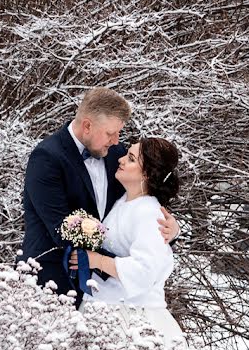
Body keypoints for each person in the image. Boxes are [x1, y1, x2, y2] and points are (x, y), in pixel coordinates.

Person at [18, 88, 178, 304]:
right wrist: (119, 264)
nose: (116, 141)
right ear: (87, 126)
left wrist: (169, 231)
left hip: (104, 294)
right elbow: (62, 229)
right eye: (111, 133)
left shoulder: (114, 154)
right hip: (52, 282)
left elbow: (139, 201)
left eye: (119, 133)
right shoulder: (47, 158)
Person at [74, 137, 184, 346]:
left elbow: (145, 271)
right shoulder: (123, 201)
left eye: (131, 159)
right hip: (104, 308)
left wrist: (96, 261)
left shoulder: (149, 213)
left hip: (131, 319)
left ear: (147, 174)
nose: (121, 160)